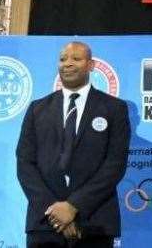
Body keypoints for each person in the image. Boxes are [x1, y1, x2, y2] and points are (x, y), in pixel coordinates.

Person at [16, 41, 131, 247]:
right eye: (62, 59)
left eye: (76, 59)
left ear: (91, 65)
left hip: (95, 221)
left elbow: (115, 164)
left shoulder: (114, 109)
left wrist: (73, 206)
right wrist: (55, 211)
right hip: (44, 223)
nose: (67, 64)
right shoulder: (37, 109)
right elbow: (25, 164)